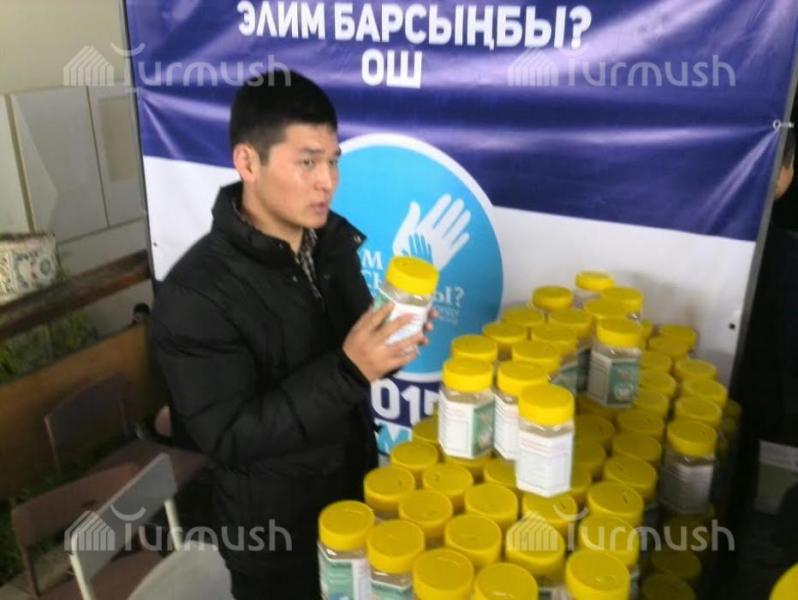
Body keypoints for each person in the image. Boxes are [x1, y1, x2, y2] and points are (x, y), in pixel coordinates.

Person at [150, 70, 431, 598]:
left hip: (353, 504)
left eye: (333, 161)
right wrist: (350, 370)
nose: (327, 181)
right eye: (307, 162)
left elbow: (353, 364)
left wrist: (389, 344)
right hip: (277, 542)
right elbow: (228, 437)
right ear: (247, 162)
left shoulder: (329, 245)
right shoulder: (196, 293)